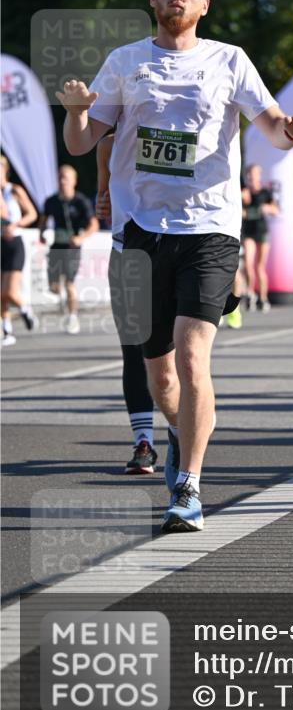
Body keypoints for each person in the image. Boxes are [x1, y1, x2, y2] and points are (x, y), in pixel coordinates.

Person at [56, 0, 293, 534]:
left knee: (193, 355)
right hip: (139, 232)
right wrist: (75, 113)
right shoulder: (124, 62)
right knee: (160, 378)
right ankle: (180, 432)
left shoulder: (229, 60)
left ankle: (189, 486)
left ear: (205, 3)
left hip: (210, 229)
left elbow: (272, 126)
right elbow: (81, 142)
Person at [96, 133, 156, 474]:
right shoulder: (108, 144)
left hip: (176, 251)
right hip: (126, 253)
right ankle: (143, 442)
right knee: (134, 351)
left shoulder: (177, 126)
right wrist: (103, 204)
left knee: (178, 354)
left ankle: (181, 431)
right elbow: (103, 200)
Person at [38, 165, 99, 335]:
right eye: (60, 178)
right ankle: (64, 302)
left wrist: (81, 237)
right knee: (53, 286)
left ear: (74, 181)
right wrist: (41, 233)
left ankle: (72, 317)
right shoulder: (51, 201)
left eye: (65, 178)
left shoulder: (81, 201)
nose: (62, 182)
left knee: (69, 283)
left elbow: (94, 224)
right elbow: (43, 220)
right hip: (56, 246)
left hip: (72, 247)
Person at [1, 155, 38, 346]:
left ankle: (25, 309)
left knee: (8, 291)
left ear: (5, 169)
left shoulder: (14, 190)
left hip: (14, 243)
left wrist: (15, 224)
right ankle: (6, 332)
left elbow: (32, 213)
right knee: (0, 293)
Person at [241, 163, 279, 312]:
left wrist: (268, 209)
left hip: (262, 231)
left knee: (259, 267)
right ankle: (250, 293)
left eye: (254, 173)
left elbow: (275, 210)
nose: (251, 177)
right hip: (248, 231)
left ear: (259, 175)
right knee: (248, 263)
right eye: (249, 174)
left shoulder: (265, 192)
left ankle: (263, 298)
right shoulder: (243, 192)